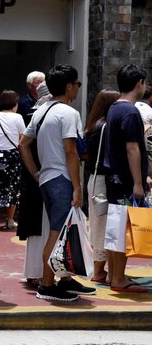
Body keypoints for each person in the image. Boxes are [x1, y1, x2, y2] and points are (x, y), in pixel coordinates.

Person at [19, 64, 95, 302]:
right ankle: (47, 284)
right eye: (78, 84)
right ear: (69, 86)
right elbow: (71, 151)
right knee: (58, 232)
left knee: (61, 231)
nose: (78, 89)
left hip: (47, 178)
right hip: (62, 178)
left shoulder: (41, 110)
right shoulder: (69, 113)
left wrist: (35, 173)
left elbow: (23, 144)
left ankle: (64, 279)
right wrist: (77, 186)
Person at [103, 64, 151, 293]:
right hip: (126, 181)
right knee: (122, 230)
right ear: (139, 83)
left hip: (113, 179)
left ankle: (114, 274)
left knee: (115, 229)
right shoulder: (131, 112)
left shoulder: (114, 108)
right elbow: (133, 148)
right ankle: (119, 278)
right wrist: (139, 182)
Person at [83, 89, 119, 284]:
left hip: (95, 180)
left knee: (99, 225)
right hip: (102, 182)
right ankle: (98, 270)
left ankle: (99, 269)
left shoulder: (94, 126)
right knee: (102, 226)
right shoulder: (105, 127)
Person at [0, 90, 26, 230]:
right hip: (13, 155)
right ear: (14, 104)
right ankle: (9, 219)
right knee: (13, 187)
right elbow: (22, 139)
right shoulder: (18, 118)